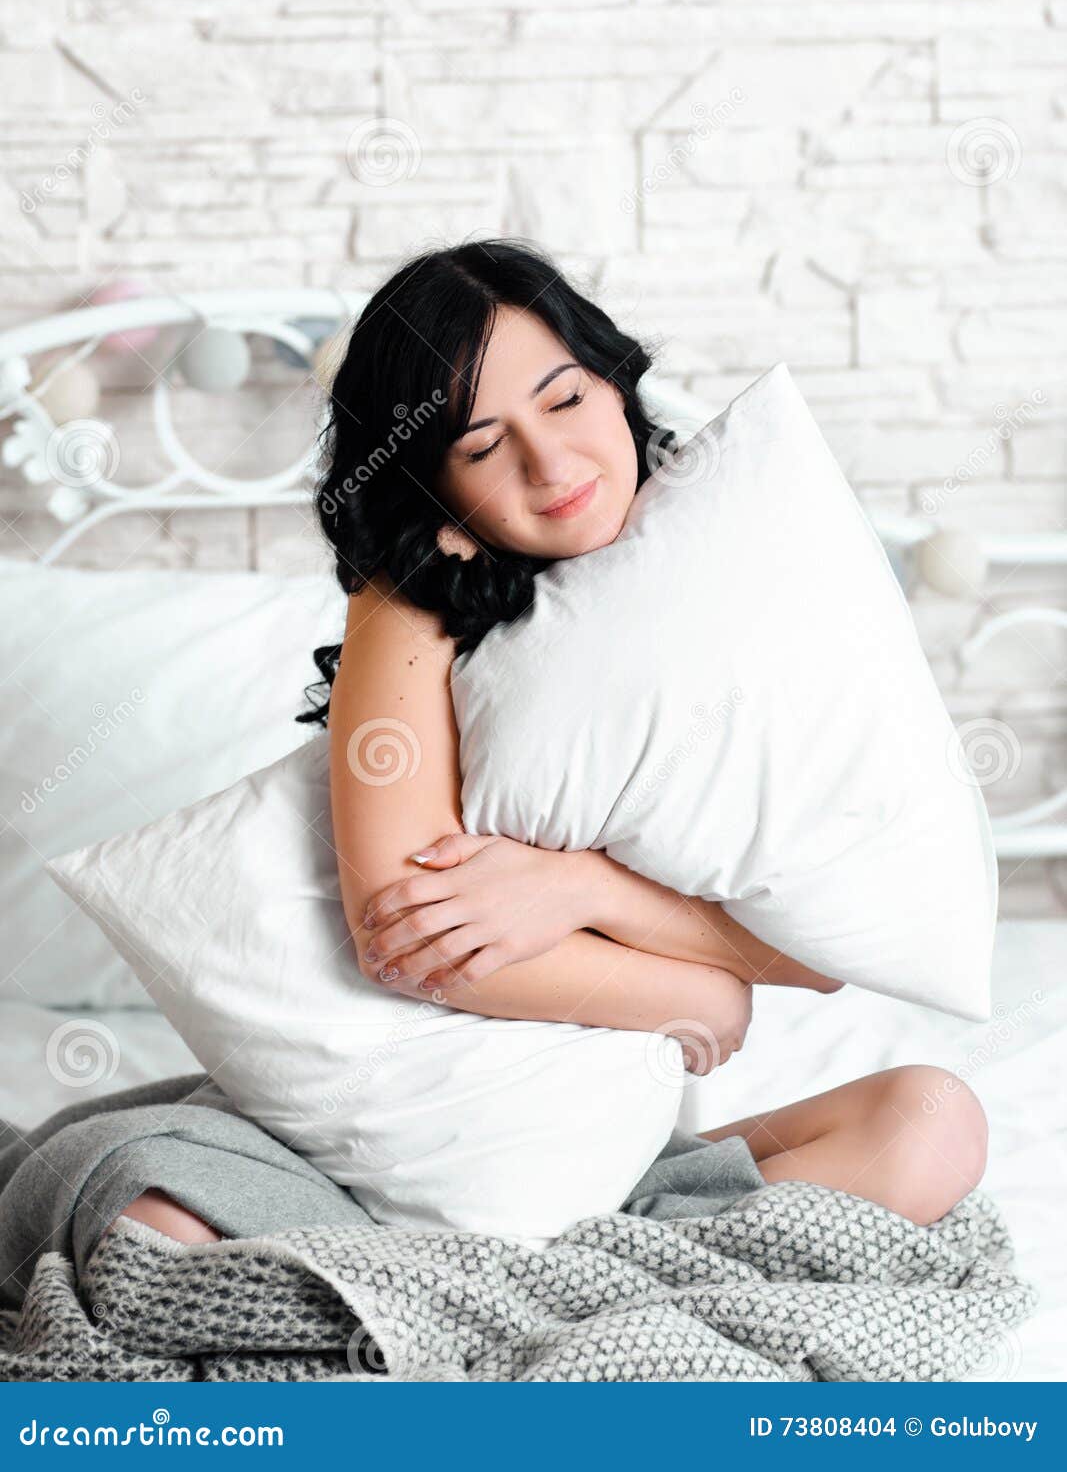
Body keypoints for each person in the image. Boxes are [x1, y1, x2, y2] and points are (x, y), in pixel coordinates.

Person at [103, 238, 988, 1252]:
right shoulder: (411, 592)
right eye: (481, 445)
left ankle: (532, 1293)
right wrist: (697, 987)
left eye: (563, 400)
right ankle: (537, 1295)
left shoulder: (730, 575)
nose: (549, 462)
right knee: (151, 1221)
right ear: (429, 479)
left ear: (613, 380)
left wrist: (582, 890)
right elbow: (412, 940)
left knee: (931, 1121)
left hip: (600, 1157)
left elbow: (824, 947)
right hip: (389, 1144)